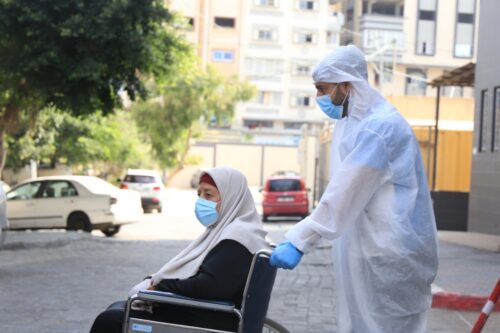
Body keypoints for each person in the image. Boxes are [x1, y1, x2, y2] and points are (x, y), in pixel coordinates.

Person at [270, 45, 438, 332]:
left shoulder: (379, 128)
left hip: (389, 256)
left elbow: (344, 194)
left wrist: (300, 240)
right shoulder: (354, 124)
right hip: (371, 252)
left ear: (347, 85)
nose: (319, 98)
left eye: (323, 89)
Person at [90, 167, 269, 333]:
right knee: (117, 308)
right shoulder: (232, 231)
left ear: (232, 197)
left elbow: (210, 286)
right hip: (204, 310)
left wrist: (161, 285)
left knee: (110, 321)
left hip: (207, 318)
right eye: (199, 194)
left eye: (209, 195)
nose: (202, 201)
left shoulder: (237, 237)